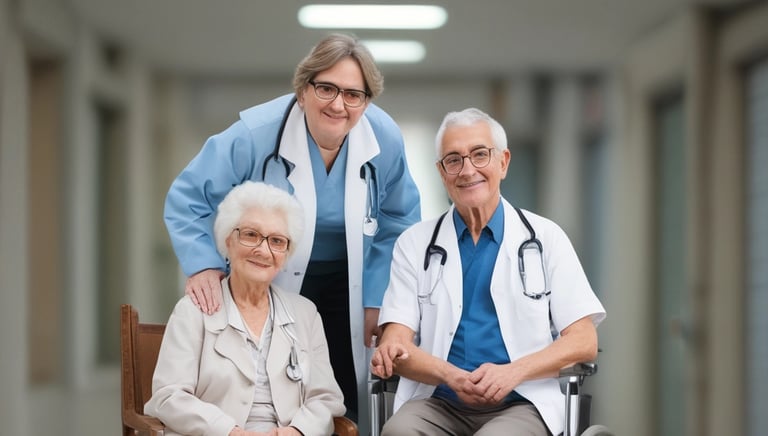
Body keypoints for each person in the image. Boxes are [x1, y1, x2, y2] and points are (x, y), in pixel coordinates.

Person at [163, 33, 421, 422]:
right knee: (269, 381)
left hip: (353, 278)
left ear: (366, 101)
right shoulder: (256, 134)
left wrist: (376, 297)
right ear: (303, 90)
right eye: (326, 88)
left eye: (353, 94)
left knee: (343, 386)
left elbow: (400, 220)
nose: (338, 104)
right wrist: (202, 264)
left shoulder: (383, 139)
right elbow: (188, 198)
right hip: (269, 273)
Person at [370, 108, 606, 436]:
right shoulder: (415, 244)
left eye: (480, 155)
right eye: (453, 160)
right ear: (442, 172)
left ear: (503, 162)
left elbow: (583, 341)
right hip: (439, 401)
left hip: (522, 401)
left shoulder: (546, 238)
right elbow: (397, 343)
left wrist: (513, 372)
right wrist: (450, 375)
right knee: (399, 432)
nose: (468, 170)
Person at [146, 181, 345, 436]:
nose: (263, 250)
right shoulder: (192, 311)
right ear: (227, 241)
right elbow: (168, 396)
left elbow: (326, 398)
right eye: (251, 234)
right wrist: (230, 432)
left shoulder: (306, 313)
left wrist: (297, 431)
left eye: (276, 241)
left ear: (285, 255)